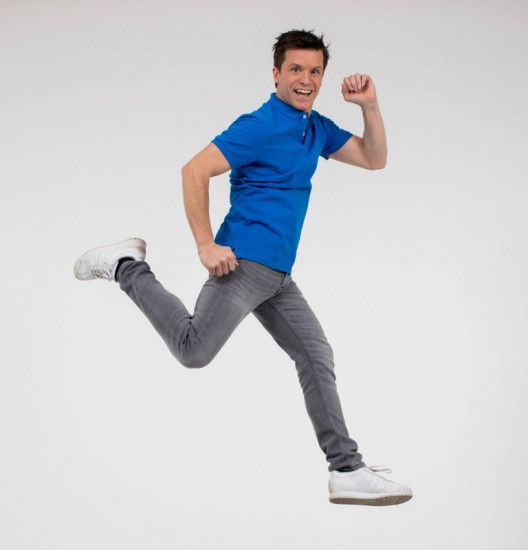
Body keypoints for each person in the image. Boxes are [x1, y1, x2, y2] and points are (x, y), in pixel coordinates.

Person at [73, 29, 412, 506]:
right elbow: (194, 170)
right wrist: (205, 244)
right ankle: (126, 265)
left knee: (316, 356)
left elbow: (374, 159)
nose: (306, 79)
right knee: (194, 350)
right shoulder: (260, 125)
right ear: (276, 74)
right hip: (245, 262)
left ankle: (346, 469)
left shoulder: (315, 128)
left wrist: (369, 106)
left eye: (315, 71)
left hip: (278, 277)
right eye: (296, 69)